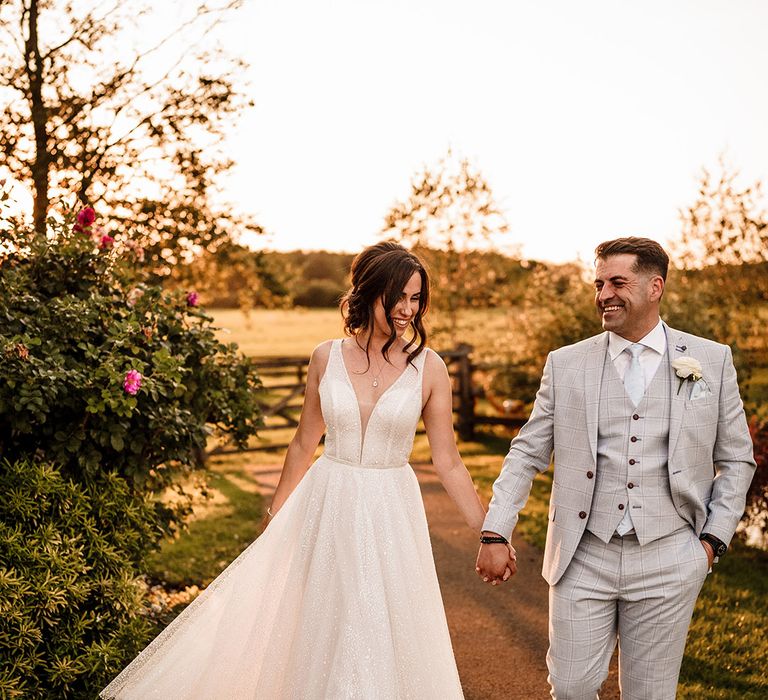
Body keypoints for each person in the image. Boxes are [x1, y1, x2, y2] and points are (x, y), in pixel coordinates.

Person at [101, 241, 492, 699]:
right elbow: (305, 441)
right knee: (323, 624)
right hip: (328, 502)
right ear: (369, 292)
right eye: (399, 296)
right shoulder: (326, 356)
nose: (409, 309)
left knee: (378, 623)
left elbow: (447, 459)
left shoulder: (430, 368)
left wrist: (490, 533)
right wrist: (275, 516)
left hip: (391, 512)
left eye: (416, 298)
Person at [475, 237, 755, 699]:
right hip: (583, 553)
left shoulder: (710, 360)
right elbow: (527, 452)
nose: (604, 294)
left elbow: (736, 458)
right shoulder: (566, 364)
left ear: (655, 287)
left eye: (617, 282)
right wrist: (495, 530)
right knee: (571, 687)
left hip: (670, 555)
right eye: (599, 283)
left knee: (650, 694)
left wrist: (710, 544)